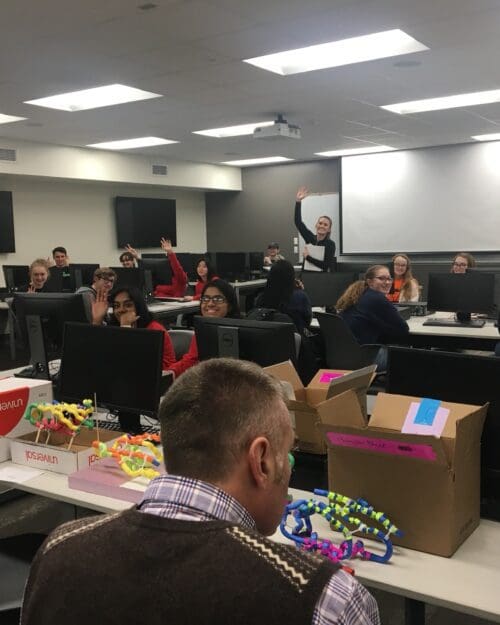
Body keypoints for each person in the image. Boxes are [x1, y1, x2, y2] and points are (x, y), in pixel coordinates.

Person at [21, 358, 380, 625]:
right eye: (288, 452)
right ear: (261, 460)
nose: (289, 468)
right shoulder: (327, 598)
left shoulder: (59, 550)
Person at [335, 265, 409, 370]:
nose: (387, 282)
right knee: (410, 354)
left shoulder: (358, 295)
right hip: (365, 358)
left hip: (342, 356)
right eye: (381, 278)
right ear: (369, 281)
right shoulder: (377, 298)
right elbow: (403, 330)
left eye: (389, 278)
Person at [169, 279, 240, 378]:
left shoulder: (239, 331)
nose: (210, 304)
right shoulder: (202, 330)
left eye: (218, 299)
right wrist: (170, 372)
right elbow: (191, 360)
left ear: (230, 306)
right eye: (205, 299)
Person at [92, 286, 175, 371]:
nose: (121, 310)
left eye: (128, 305)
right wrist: (96, 321)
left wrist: (126, 327)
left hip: (161, 378)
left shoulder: (154, 330)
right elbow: (99, 356)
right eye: (117, 306)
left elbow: (128, 363)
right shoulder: (115, 327)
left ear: (138, 307)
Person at [253, 260, 312, 334]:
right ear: (292, 277)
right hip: (294, 341)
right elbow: (308, 321)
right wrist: (300, 291)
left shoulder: (261, 298)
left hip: (267, 340)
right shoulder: (300, 297)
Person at [294, 186, 336, 272]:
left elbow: (325, 266)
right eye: (320, 223)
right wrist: (298, 202)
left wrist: (308, 257)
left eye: (325, 225)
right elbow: (298, 222)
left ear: (329, 229)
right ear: (316, 225)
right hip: (306, 276)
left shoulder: (330, 244)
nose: (322, 226)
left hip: (320, 279)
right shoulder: (310, 238)